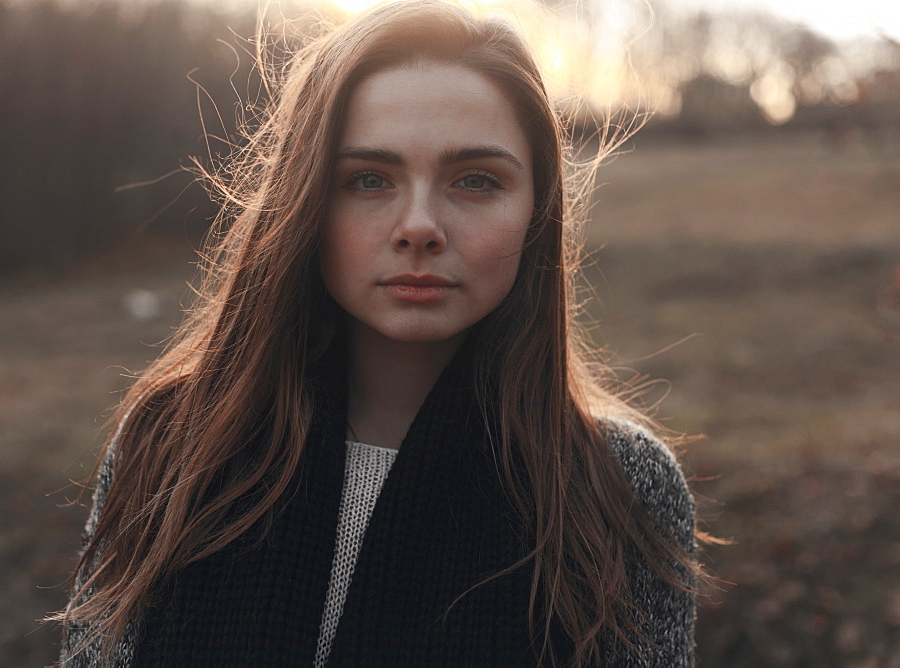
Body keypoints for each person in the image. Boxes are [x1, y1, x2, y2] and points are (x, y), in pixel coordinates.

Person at [56, 1, 700, 665]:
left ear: (538, 209)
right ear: (305, 199)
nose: (418, 225)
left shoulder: (620, 486)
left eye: (476, 180)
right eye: (368, 179)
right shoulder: (167, 447)